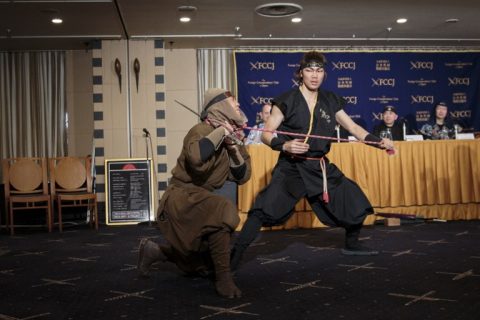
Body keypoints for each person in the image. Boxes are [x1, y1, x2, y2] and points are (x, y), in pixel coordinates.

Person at [230, 51, 394, 271]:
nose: (314, 75)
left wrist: (378, 142)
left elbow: (353, 128)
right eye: (309, 70)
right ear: (300, 73)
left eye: (319, 71)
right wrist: (284, 145)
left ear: (324, 74)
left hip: (319, 167)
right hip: (292, 168)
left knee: (353, 199)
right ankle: (234, 255)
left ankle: (352, 244)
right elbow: (266, 134)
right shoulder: (285, 100)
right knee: (263, 209)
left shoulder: (331, 100)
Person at [137, 88, 251, 299]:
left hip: (202, 200)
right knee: (223, 209)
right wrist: (220, 133)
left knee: (199, 264)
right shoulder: (199, 130)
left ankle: (155, 251)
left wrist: (233, 148)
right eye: (233, 102)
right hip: (181, 199)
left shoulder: (234, 138)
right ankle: (224, 280)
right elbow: (197, 160)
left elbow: (243, 176)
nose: (238, 106)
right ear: (220, 107)